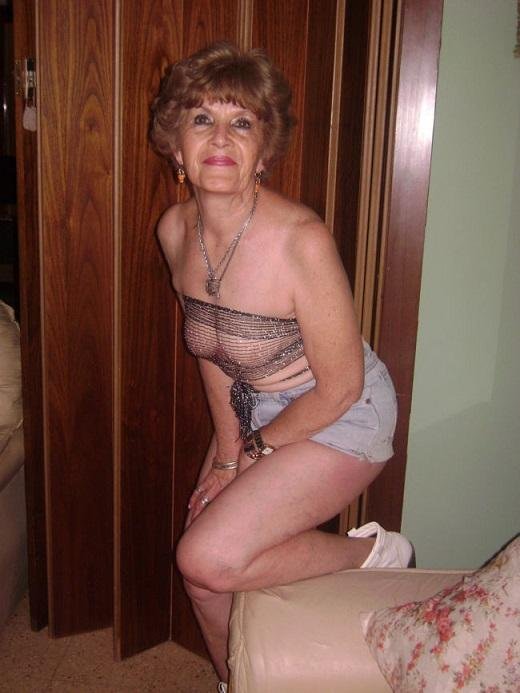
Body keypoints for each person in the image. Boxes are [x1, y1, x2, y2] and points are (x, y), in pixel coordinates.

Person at [150, 42, 413, 691]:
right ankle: (233, 680)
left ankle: (375, 552)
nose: (220, 138)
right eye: (202, 119)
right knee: (203, 566)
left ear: (263, 152)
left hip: (342, 412)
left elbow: (342, 386)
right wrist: (225, 457)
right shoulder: (175, 231)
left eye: (241, 122)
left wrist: (254, 450)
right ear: (176, 145)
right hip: (254, 409)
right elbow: (213, 353)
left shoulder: (302, 240)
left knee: (205, 554)